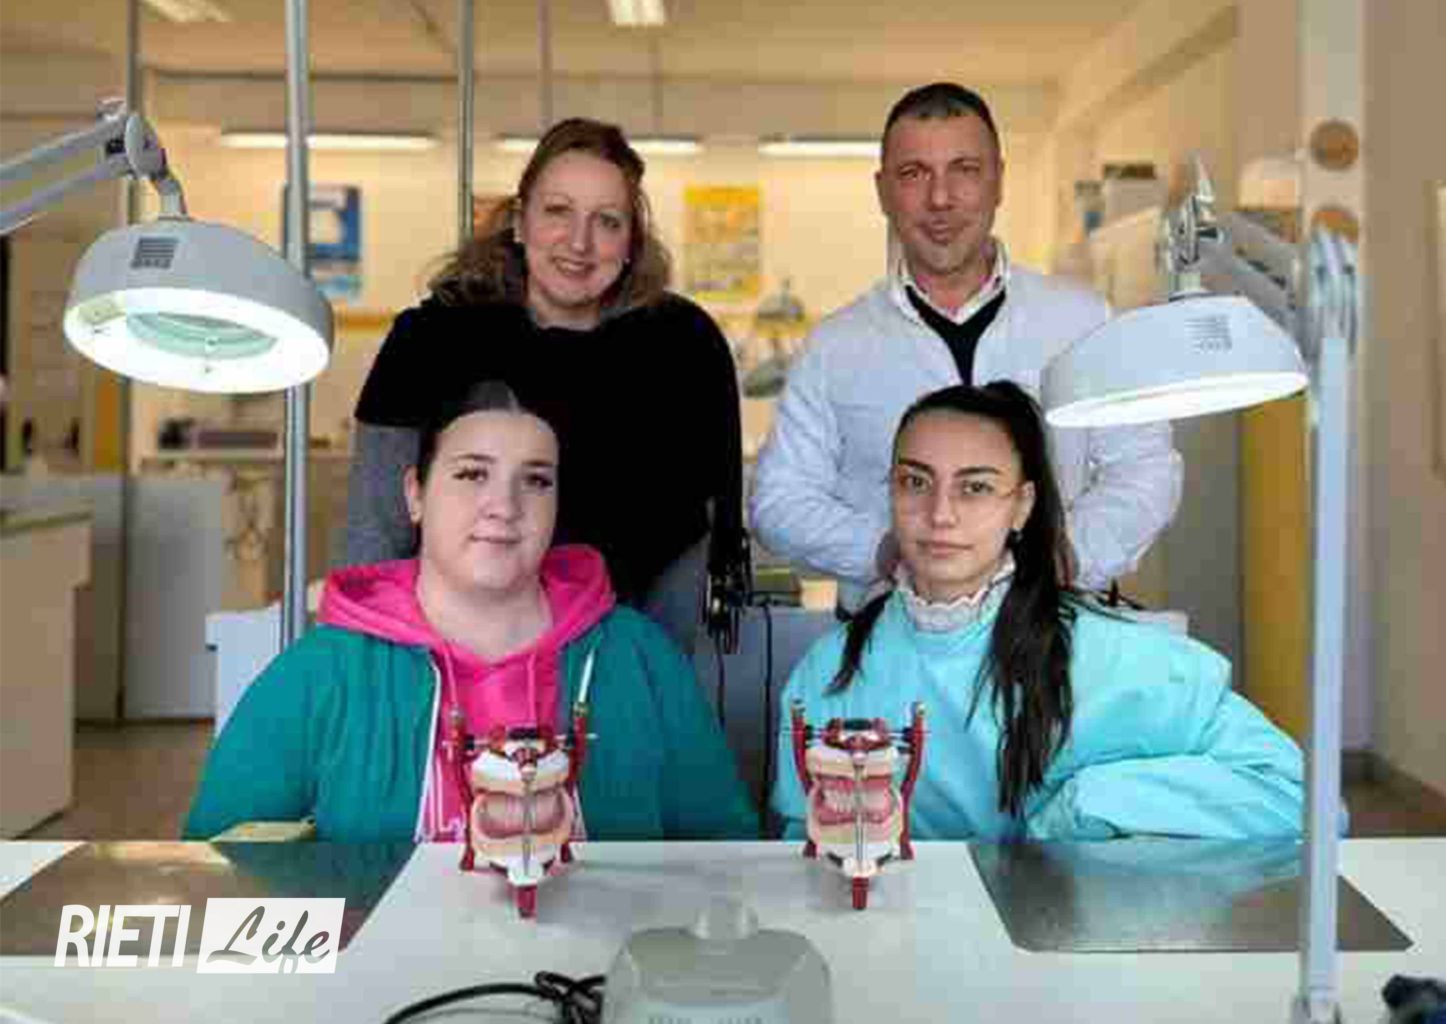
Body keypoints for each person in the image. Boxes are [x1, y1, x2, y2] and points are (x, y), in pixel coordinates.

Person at [187, 380, 758, 843]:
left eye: (536, 480)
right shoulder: (322, 673)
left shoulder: (640, 658)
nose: (504, 506)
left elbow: (726, 860)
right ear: (415, 494)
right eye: (472, 474)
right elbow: (219, 871)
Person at [771, 382, 1302, 841]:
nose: (940, 514)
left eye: (975, 488)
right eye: (915, 482)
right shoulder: (830, 673)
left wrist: (1085, 805)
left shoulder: (1116, 661)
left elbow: (1294, 794)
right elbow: (802, 849)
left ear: (1022, 505)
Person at [750, 82, 1182, 613]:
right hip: (888, 637)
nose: (940, 198)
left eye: (965, 169)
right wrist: (884, 550)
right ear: (883, 191)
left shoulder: (1083, 321)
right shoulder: (834, 347)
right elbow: (779, 500)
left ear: (998, 180)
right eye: (914, 173)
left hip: (1050, 628)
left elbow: (1145, 468)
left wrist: (1070, 555)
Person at [344, 117, 748, 655]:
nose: (579, 242)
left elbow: (687, 542)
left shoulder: (680, 349)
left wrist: (652, 673)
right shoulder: (435, 339)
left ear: (631, 240)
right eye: (558, 211)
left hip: (623, 648)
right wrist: (370, 664)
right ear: (519, 221)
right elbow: (377, 528)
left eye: (607, 221)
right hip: (452, 655)